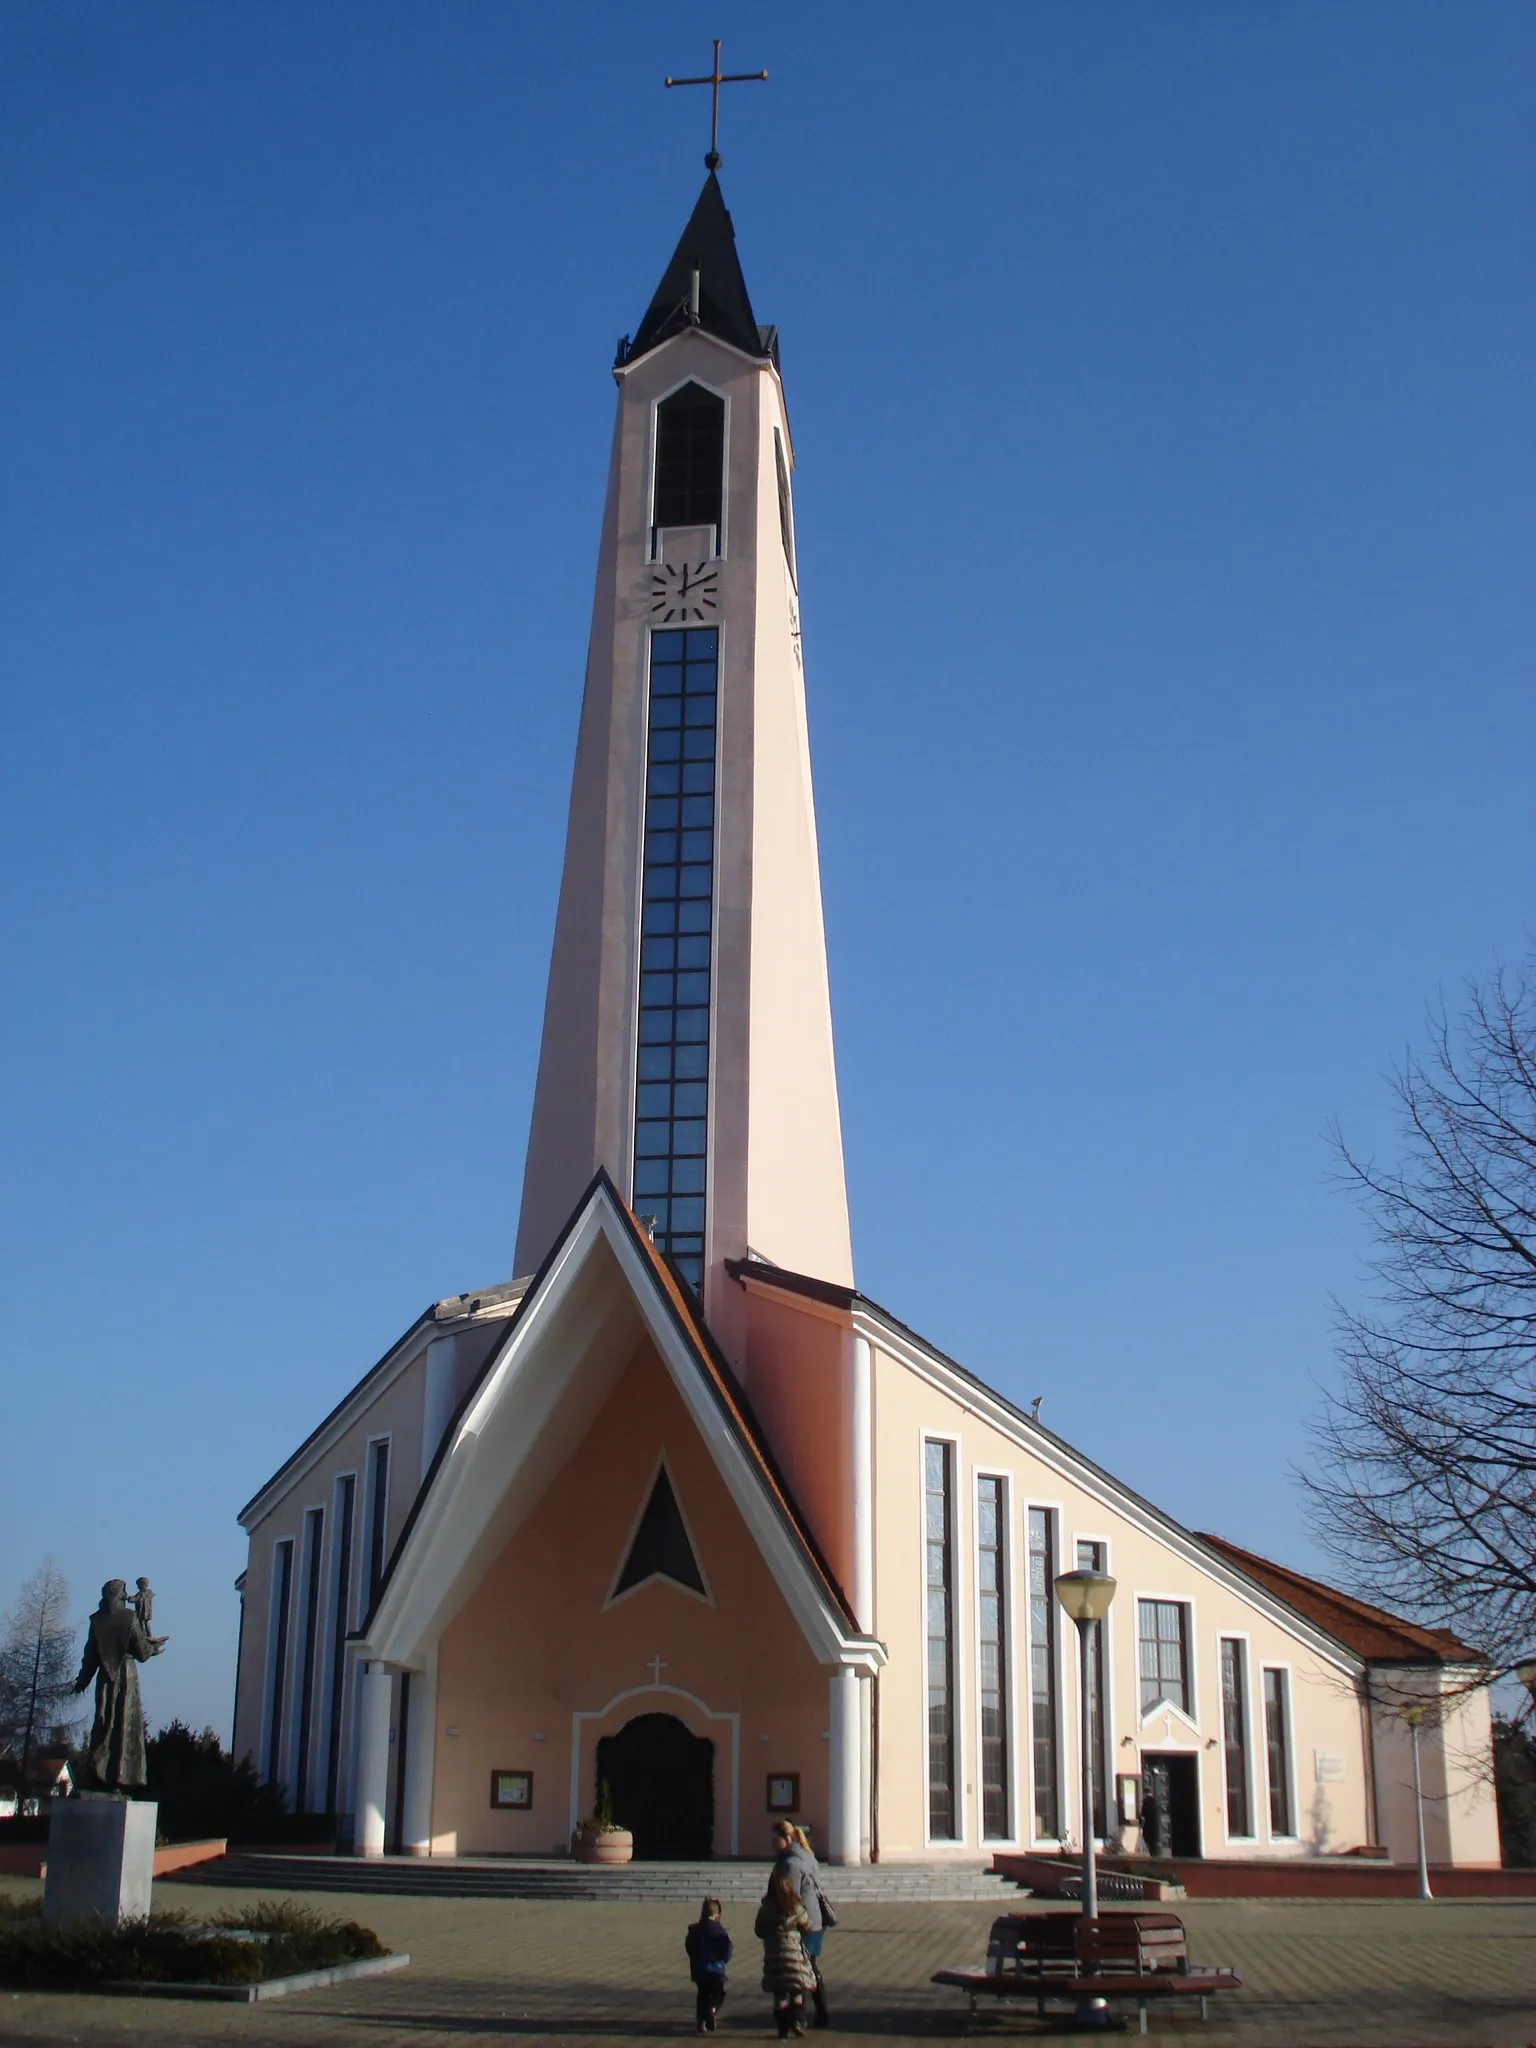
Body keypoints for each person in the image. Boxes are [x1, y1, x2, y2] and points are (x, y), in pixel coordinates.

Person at [772, 1819, 830, 2028]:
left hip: (803, 1921)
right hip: (816, 1919)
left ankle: (800, 2017)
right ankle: (816, 2014)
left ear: (787, 1839)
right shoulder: (808, 1855)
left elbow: (789, 1896)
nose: (772, 1844)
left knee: (801, 1968)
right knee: (809, 1965)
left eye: (775, 1839)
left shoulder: (791, 1863)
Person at [754, 1868, 815, 2039]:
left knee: (780, 1994)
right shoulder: (796, 1907)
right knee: (797, 1990)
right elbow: (808, 1927)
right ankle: (797, 2021)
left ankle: (782, 2031)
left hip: (775, 1958)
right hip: (795, 1958)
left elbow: (758, 1930)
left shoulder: (766, 1909)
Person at [684, 1896, 732, 2034]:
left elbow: (689, 1946)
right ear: (717, 1916)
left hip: (700, 1969)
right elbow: (727, 1950)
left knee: (702, 1994)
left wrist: (694, 1957)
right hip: (716, 1970)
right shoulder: (720, 1931)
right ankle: (712, 2009)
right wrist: (724, 1960)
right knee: (718, 1994)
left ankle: (701, 2021)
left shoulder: (695, 1930)